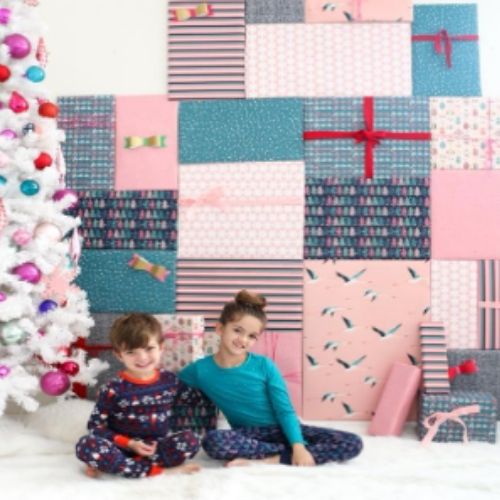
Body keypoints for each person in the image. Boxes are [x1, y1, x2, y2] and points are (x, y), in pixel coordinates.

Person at [179, 290, 363, 466]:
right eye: (237, 330)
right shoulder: (199, 370)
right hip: (246, 434)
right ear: (219, 328)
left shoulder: (264, 366)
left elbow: (285, 411)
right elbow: (171, 386)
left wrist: (298, 445)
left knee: (352, 443)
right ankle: (283, 453)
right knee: (213, 441)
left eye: (251, 336)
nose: (243, 340)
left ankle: (275, 457)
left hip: (281, 428)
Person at [76, 313, 204, 478]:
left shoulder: (170, 381)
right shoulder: (112, 389)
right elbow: (95, 427)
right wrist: (128, 443)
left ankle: (121, 467)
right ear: (119, 355)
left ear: (161, 347)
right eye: (131, 352)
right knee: (86, 445)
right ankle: (154, 470)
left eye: (149, 348)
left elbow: (194, 399)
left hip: (156, 449)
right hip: (121, 448)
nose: (142, 357)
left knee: (191, 439)